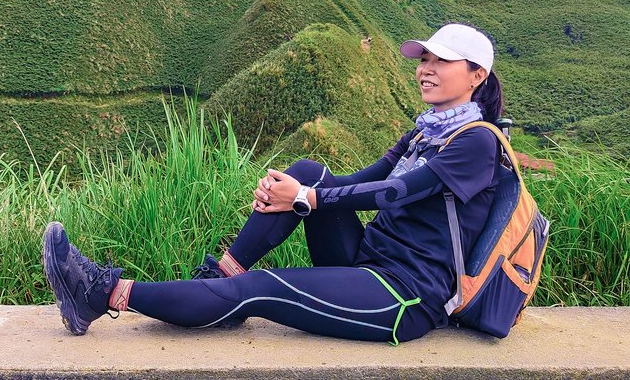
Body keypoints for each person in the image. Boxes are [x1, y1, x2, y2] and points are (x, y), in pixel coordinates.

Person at [43, 22, 505, 344]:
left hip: (404, 296)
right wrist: (297, 190)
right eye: (423, 59)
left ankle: (103, 294)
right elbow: (362, 181)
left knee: (261, 289)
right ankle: (221, 276)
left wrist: (305, 200)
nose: (425, 68)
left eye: (441, 61)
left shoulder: (478, 142)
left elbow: (395, 192)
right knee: (306, 168)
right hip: (368, 260)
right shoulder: (426, 130)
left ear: (476, 75)